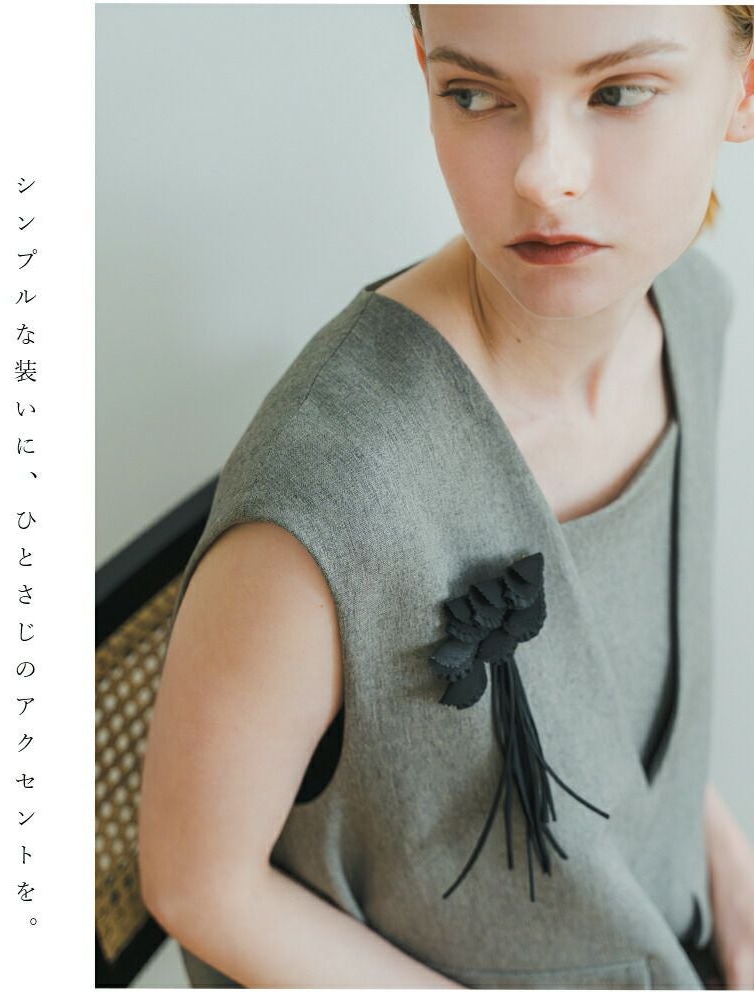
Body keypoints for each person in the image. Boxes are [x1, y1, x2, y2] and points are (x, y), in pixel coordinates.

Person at [137, 4, 754, 988]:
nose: (541, 177)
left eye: (618, 92)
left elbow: (622, 708)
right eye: (474, 95)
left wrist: (728, 883)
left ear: (743, 85)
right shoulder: (336, 490)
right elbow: (197, 885)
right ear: (424, 69)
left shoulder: (689, 311)